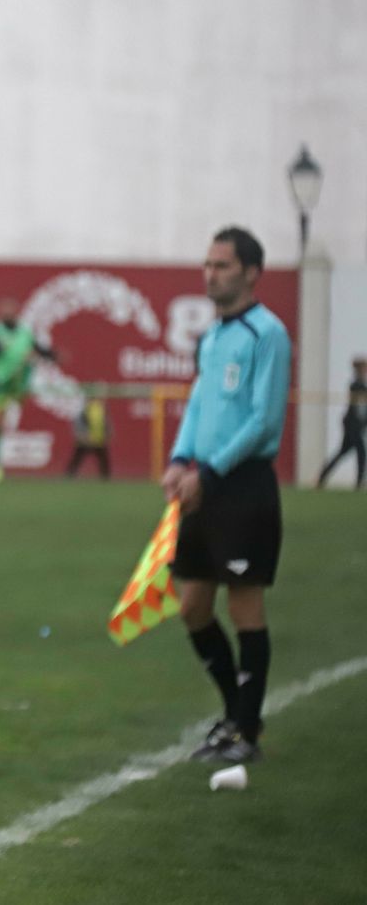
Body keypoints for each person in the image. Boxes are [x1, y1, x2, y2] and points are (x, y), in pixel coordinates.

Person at [160, 226, 291, 765]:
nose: (211, 273)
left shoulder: (269, 335)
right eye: (208, 264)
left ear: (251, 272)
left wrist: (207, 472)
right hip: (203, 487)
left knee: (244, 608)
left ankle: (245, 734)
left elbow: (263, 421)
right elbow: (197, 407)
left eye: (222, 265)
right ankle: (236, 714)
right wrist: (177, 460)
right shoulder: (211, 338)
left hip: (242, 490)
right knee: (191, 606)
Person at [0, 296, 58, 484]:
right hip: (0, 381)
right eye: (4, 313)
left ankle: (21, 391)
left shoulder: (25, 332)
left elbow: (38, 349)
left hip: (19, 381)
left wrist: (52, 355)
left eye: (10, 312)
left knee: (28, 360)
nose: (7, 315)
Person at [315, 356, 366, 490]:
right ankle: (358, 484)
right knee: (361, 452)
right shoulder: (356, 385)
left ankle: (322, 477)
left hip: (356, 425)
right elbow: (358, 408)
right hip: (352, 425)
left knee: (342, 452)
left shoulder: (360, 385)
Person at [64, 387, 111, 479]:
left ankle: (105, 477)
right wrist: (81, 436)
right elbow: (78, 423)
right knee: (78, 458)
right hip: (86, 440)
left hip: (98, 439)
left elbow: (105, 423)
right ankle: (69, 475)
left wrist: (107, 434)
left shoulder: (100, 409)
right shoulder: (84, 410)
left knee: (103, 459)